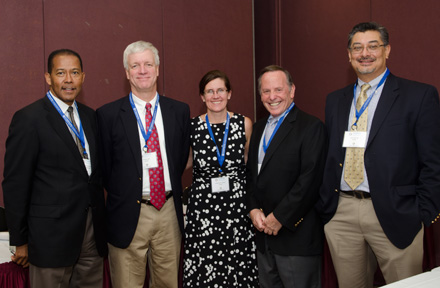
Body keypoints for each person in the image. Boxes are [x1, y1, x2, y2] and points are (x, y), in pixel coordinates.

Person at [317, 21, 440, 287]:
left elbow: (433, 161)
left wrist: (424, 212)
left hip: (396, 213)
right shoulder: (335, 100)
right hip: (342, 214)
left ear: (387, 50)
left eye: (373, 46)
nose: (365, 53)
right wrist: (327, 207)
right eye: (357, 47)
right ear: (349, 55)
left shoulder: (418, 95)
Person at [2, 49, 107, 287]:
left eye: (74, 73)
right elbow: (15, 184)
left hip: (91, 234)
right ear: (48, 77)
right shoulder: (29, 119)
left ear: (83, 77)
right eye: (61, 73)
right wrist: (20, 240)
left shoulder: (91, 117)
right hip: (50, 238)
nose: (68, 79)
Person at [97, 41, 190, 288]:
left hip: (169, 211)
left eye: (148, 64)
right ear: (127, 73)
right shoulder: (107, 115)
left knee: (168, 283)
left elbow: (180, 159)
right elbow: (105, 169)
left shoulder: (179, 111)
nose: (142, 70)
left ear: (158, 69)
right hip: (127, 213)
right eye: (135, 65)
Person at [247, 65, 327, 288]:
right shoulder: (259, 127)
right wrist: (253, 209)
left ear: (292, 91)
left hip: (296, 239)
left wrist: (279, 217)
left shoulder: (311, 127)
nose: (272, 97)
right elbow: (252, 176)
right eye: (265, 91)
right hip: (263, 238)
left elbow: (309, 181)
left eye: (278, 90)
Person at [183, 70, 258, 287]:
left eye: (220, 90)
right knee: (205, 265)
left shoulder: (244, 124)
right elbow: (186, 163)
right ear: (202, 97)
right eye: (209, 91)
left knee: (237, 265)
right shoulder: (193, 127)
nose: (215, 96)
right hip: (203, 210)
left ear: (229, 93)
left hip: (237, 209)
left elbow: (248, 165)